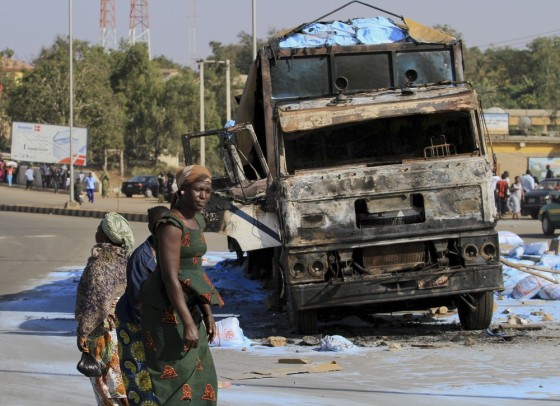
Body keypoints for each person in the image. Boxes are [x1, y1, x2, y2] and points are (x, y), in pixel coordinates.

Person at [139, 165, 223, 405]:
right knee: (174, 377)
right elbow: (170, 277)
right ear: (183, 190)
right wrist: (188, 322)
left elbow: (195, 271)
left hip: (189, 304)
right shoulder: (170, 226)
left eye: (208, 191)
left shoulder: (196, 220)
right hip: (165, 307)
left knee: (202, 373)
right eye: (198, 190)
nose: (204, 196)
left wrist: (206, 311)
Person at [75, 212, 135, 406]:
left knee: (106, 386)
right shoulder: (125, 258)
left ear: (107, 236)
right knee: (122, 382)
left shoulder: (101, 262)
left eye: (100, 228)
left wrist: (83, 331)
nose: (97, 231)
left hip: (104, 333)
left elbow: (95, 302)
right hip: (124, 330)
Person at [115, 206, 170, 404]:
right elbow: (138, 300)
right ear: (154, 229)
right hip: (134, 323)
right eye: (163, 226)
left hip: (155, 322)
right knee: (139, 375)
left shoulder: (170, 251)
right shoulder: (141, 257)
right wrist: (148, 333)